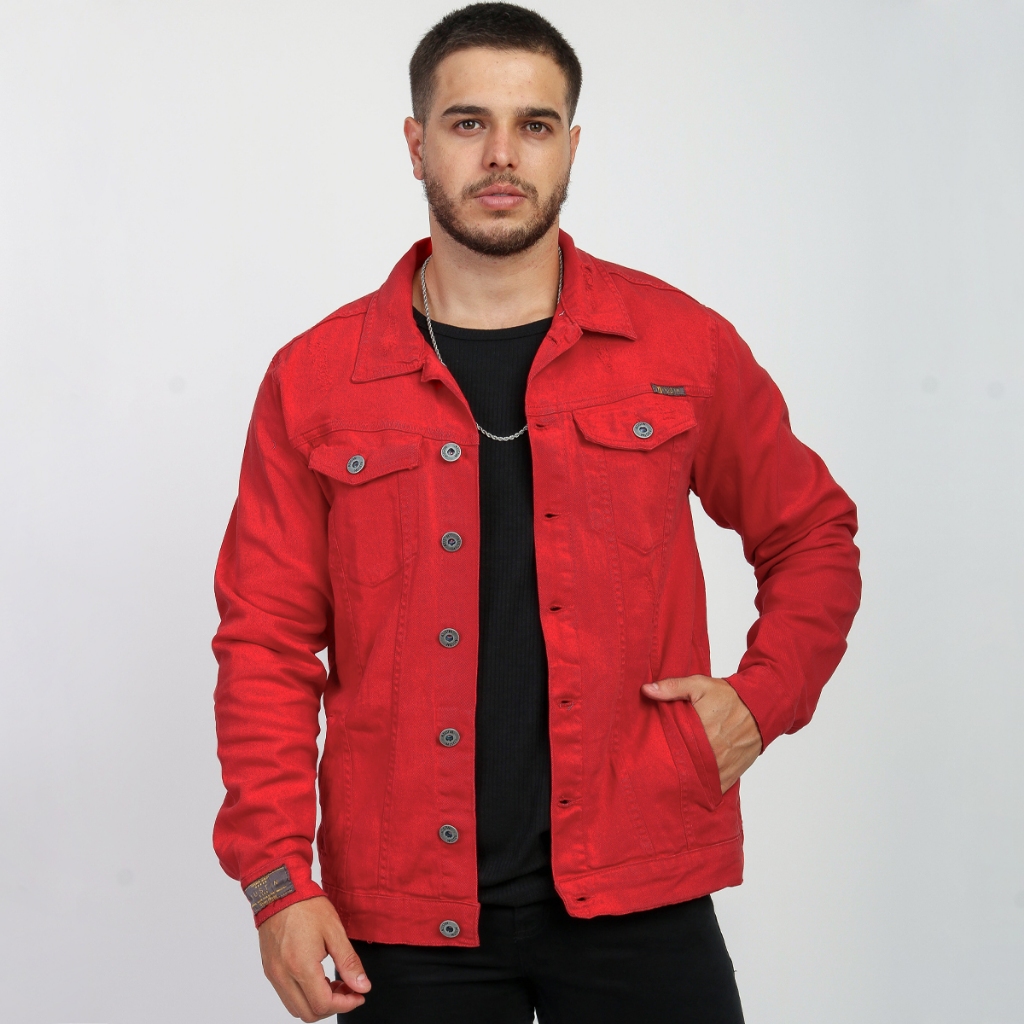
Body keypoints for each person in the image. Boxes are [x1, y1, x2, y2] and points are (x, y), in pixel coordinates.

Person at [211, 4, 862, 1021]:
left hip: (640, 883)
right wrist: (278, 884)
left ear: (572, 146)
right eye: (468, 122)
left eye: (536, 124)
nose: (502, 155)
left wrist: (761, 697)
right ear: (416, 143)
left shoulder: (677, 345)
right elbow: (265, 642)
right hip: (405, 914)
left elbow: (811, 532)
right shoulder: (317, 379)